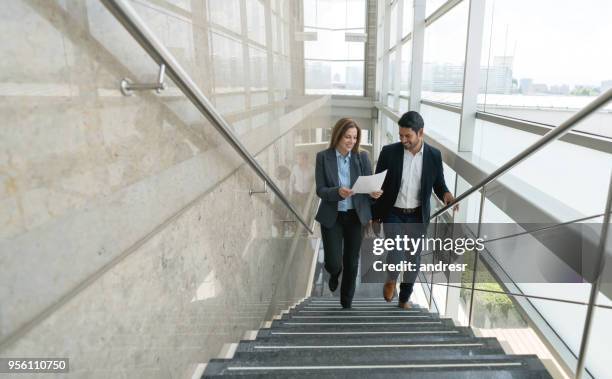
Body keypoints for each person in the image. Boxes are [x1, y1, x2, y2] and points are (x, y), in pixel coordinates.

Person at [373, 111, 456, 308]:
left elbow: (439, 184)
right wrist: (374, 212)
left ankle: (404, 298)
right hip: (393, 212)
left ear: (420, 133)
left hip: (417, 215)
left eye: (407, 136)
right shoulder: (388, 152)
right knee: (396, 251)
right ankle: (391, 278)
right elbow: (378, 183)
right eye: (400, 135)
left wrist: (447, 195)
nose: (403, 140)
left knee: (413, 259)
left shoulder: (434, 156)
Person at [315, 118, 382, 308]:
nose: (351, 141)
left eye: (354, 137)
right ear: (338, 136)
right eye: (347, 137)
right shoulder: (323, 157)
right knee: (333, 262)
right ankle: (334, 273)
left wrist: (373, 193)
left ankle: (346, 302)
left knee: (352, 262)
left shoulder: (362, 157)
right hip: (332, 216)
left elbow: (369, 188)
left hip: (355, 216)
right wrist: (337, 192)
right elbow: (320, 190)